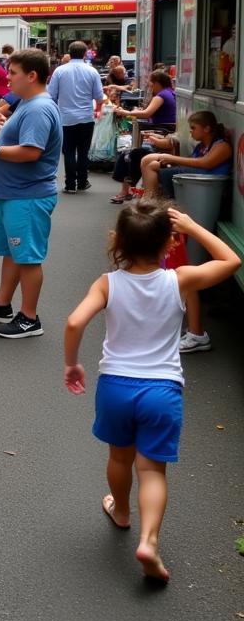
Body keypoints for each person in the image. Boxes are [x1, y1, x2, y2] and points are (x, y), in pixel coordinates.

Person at [63, 202, 240, 582]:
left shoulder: (107, 283)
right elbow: (231, 261)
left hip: (115, 387)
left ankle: (122, 511)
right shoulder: (180, 280)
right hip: (162, 389)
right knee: (152, 469)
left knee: (120, 458)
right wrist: (192, 227)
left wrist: (72, 363)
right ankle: (149, 541)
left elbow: (75, 320)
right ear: (168, 242)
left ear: (118, 241)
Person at [0, 48, 62, 338]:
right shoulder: (29, 103)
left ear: (32, 76)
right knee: (13, 252)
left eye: (12, 73)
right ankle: (2, 305)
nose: (6, 79)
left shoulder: (37, 107)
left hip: (28, 196)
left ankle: (30, 318)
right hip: (15, 194)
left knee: (28, 258)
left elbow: (31, 151)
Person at [110, 70, 178, 203]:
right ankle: (130, 191)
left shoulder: (161, 96)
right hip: (161, 132)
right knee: (131, 154)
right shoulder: (171, 93)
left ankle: (127, 191)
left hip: (159, 133)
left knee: (128, 155)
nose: (150, 87)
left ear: (157, 83)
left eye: (151, 84)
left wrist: (124, 112)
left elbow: (147, 113)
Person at [47, 40, 104, 193]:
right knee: (83, 152)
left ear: (69, 53)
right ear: (85, 53)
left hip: (65, 118)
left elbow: (51, 95)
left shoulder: (59, 71)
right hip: (86, 117)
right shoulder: (92, 71)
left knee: (69, 151)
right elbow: (99, 97)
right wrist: (97, 110)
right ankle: (83, 181)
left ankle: (70, 184)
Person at [139, 110, 231, 199]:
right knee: (153, 164)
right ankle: (149, 199)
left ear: (206, 129)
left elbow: (206, 163)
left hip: (207, 183)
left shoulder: (222, 146)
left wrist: (173, 158)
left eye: (193, 128)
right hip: (197, 178)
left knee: (155, 167)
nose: (191, 131)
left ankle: (149, 202)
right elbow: (192, 162)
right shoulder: (201, 146)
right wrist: (171, 161)